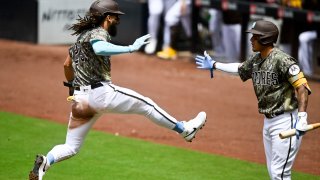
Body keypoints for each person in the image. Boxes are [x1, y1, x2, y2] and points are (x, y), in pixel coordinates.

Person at [28, 0, 206, 179]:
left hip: (80, 99)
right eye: (115, 17)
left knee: (71, 146)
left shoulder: (81, 37)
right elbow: (99, 48)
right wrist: (130, 48)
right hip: (101, 94)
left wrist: (73, 85)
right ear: (107, 17)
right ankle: (185, 129)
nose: (118, 21)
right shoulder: (98, 33)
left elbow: (67, 65)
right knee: (147, 105)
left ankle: (46, 161)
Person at [195, 20, 311, 179]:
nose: (251, 40)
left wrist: (302, 118)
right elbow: (239, 69)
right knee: (274, 172)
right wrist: (215, 64)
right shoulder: (256, 60)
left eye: (255, 37)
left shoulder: (283, 60)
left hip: (286, 120)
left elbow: (302, 87)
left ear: (265, 39)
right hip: (268, 122)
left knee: (280, 173)